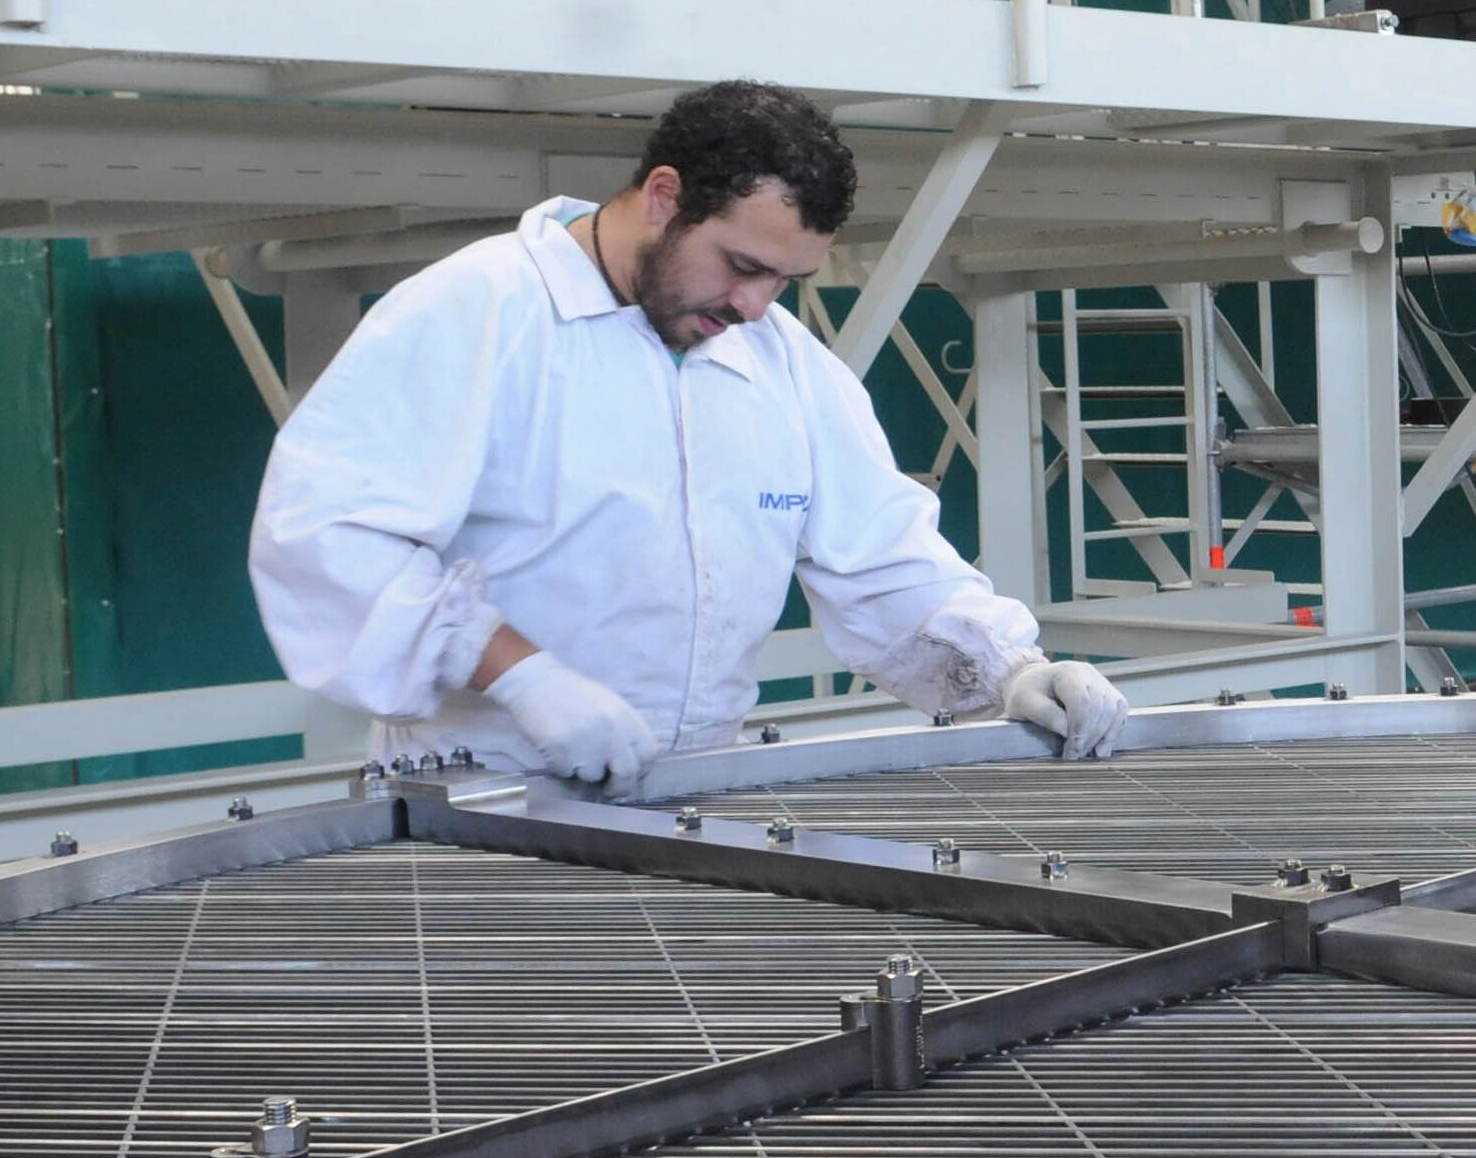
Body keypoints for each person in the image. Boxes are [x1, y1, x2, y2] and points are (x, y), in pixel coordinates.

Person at [251, 81, 1128, 785]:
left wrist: (1012, 670)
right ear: (664, 197)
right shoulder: (479, 311)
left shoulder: (780, 363)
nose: (754, 305)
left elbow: (883, 560)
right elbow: (328, 534)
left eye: (783, 280)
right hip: (476, 791)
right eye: (743, 265)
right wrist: (521, 673)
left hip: (695, 795)